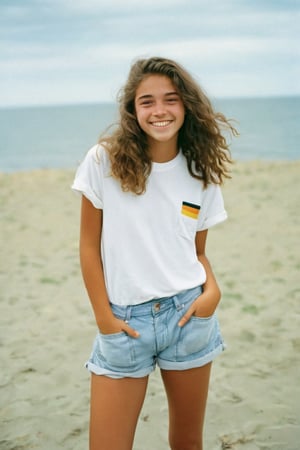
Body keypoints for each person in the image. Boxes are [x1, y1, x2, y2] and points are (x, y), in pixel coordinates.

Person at [72, 56, 237, 450]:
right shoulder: (103, 161)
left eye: (171, 99)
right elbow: (87, 245)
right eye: (147, 101)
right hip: (125, 323)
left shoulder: (201, 172)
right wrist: (104, 318)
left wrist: (212, 293)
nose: (159, 111)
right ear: (132, 109)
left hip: (189, 317)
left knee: (186, 443)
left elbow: (197, 252)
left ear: (187, 106)